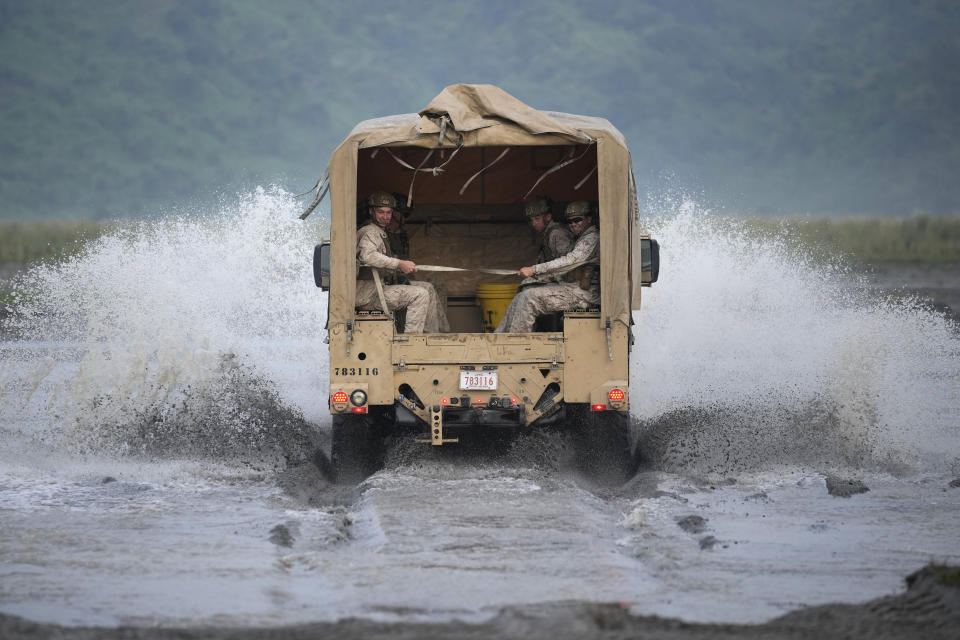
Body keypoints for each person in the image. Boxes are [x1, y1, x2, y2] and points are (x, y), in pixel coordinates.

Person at [495, 201, 600, 333]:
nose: (573, 224)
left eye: (577, 220)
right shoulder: (582, 237)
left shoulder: (592, 238)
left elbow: (569, 261)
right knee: (522, 293)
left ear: (588, 219)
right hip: (573, 288)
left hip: (584, 293)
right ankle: (499, 336)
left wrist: (535, 269)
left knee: (529, 297)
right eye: (570, 221)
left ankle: (518, 345)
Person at [356, 191, 446, 333]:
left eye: (388, 213)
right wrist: (399, 264)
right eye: (380, 212)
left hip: (377, 290)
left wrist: (402, 266)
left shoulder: (380, 232)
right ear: (371, 212)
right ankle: (413, 341)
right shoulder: (370, 232)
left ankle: (432, 335)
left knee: (426, 288)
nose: (385, 217)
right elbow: (368, 256)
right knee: (420, 294)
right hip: (370, 296)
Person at [523, 196, 574, 282]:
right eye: (531, 220)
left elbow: (566, 265)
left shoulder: (557, 233)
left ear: (548, 217)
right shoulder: (546, 232)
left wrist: (547, 278)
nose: (533, 224)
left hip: (564, 282)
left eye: (537, 219)